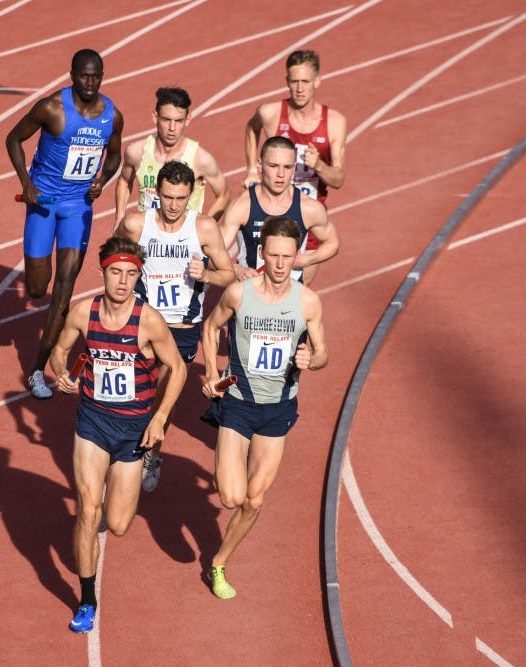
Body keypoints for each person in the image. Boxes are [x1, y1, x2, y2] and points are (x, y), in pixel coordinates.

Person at [50, 236, 187, 632]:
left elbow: (177, 368)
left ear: (138, 276)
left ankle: (132, 475)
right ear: (103, 273)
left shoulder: (148, 321)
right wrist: (62, 374)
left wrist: (160, 417)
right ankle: (87, 600)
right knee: (88, 510)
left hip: (133, 430)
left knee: (119, 523)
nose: (123, 282)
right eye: (116, 273)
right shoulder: (84, 312)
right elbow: (59, 350)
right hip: (93, 422)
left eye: (130, 274)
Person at [200, 215, 328, 599]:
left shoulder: (307, 302)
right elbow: (211, 327)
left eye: (287, 256)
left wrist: (312, 359)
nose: (280, 264)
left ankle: (219, 562)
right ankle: (228, 465)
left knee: (254, 500)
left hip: (278, 408)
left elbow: (323, 353)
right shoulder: (239, 294)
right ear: (261, 253)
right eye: (273, 255)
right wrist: (212, 372)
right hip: (238, 403)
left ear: (296, 257)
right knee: (230, 497)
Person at [6, 48, 124, 399]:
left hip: (78, 208)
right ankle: (45, 334)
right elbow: (13, 139)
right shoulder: (52, 109)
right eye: (84, 75)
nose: (90, 82)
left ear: (102, 76)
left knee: (64, 289)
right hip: (43, 203)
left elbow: (114, 155)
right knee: (37, 289)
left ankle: (37, 370)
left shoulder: (112, 116)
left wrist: (103, 179)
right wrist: (26, 183)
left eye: (96, 76)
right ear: (72, 75)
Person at [114, 161, 236, 492]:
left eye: (181, 198)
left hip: (182, 328)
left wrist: (206, 274)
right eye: (167, 197)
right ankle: (124, 454)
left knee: (162, 396)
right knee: (131, 394)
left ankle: (151, 453)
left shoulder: (204, 228)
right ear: (156, 192)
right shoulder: (136, 224)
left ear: (191, 196)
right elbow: (113, 257)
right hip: (143, 323)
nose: (173, 205)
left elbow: (229, 274)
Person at [242, 49, 347, 285]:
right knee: (259, 283)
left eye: (305, 82)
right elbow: (251, 128)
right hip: (269, 211)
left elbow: (338, 179)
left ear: (317, 81)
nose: (299, 88)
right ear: (287, 81)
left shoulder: (334, 122)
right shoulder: (270, 113)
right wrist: (251, 168)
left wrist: (319, 165)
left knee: (298, 288)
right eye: (294, 81)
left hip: (307, 218)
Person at [221, 136, 339, 282]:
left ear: (294, 168)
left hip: (291, 293)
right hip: (250, 290)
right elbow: (212, 252)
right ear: (260, 165)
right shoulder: (242, 206)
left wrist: (307, 260)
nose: (281, 174)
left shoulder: (308, 207)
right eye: (273, 166)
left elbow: (332, 243)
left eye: (287, 167)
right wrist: (238, 269)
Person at [114, 86, 229, 222]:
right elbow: (124, 181)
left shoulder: (200, 159)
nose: (172, 128)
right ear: (155, 117)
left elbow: (224, 195)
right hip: (146, 233)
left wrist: (204, 226)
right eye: (166, 120)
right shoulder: (136, 152)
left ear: (188, 120)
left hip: (184, 235)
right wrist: (119, 217)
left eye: (179, 121)